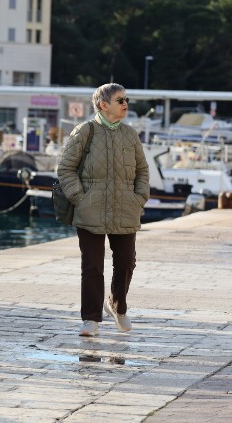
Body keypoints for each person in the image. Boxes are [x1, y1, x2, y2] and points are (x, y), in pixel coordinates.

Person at [57, 83, 149, 337]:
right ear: (103, 104)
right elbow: (65, 169)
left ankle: (117, 306)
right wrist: (80, 198)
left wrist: (139, 197)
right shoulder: (84, 131)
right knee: (93, 267)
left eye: (126, 99)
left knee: (126, 262)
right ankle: (90, 319)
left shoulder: (130, 134)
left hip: (125, 209)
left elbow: (142, 170)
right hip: (90, 210)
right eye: (120, 100)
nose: (125, 103)